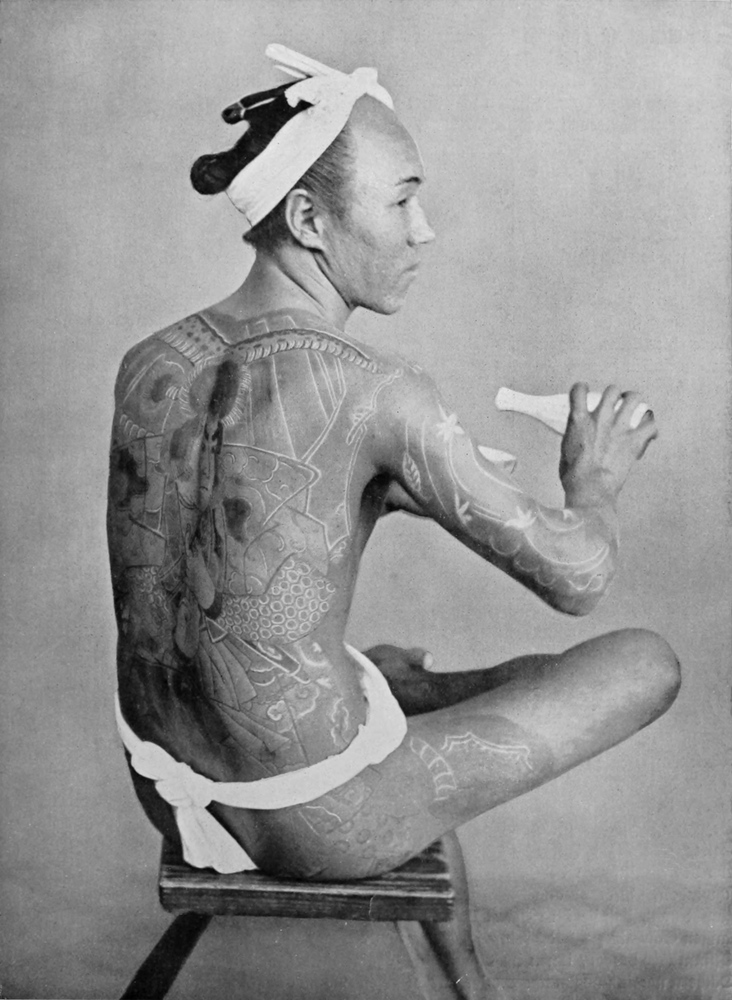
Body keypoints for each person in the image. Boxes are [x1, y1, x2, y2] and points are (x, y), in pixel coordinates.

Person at [108, 45, 680, 890]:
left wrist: (376, 490)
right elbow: (579, 577)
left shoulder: (150, 361)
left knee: (476, 677)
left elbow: (214, 533)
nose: (424, 230)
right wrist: (593, 481)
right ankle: (399, 704)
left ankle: (401, 690)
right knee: (645, 661)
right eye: (402, 200)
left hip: (166, 783)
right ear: (309, 219)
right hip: (316, 821)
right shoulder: (379, 392)